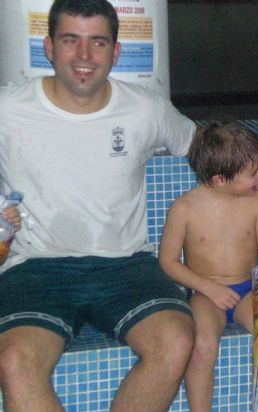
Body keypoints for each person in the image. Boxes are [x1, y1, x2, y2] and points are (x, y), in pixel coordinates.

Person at [0, 1, 197, 411]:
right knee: (15, 360)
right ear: (49, 47)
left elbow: (208, 153)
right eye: (71, 40)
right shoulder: (8, 109)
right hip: (37, 267)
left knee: (176, 339)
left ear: (116, 52)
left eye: (98, 43)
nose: (84, 57)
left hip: (123, 264)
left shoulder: (145, 108)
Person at [159, 119, 258, 412]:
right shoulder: (185, 208)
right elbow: (168, 262)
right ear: (220, 178)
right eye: (253, 173)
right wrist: (207, 287)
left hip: (249, 290)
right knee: (203, 346)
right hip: (207, 294)